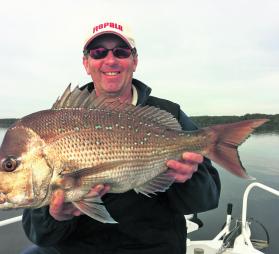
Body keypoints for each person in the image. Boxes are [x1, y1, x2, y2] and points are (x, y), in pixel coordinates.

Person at [21, 22, 221, 254]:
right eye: (98, 52)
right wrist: (54, 215)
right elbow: (39, 234)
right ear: (86, 63)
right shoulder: (58, 121)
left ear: (134, 61)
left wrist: (188, 179)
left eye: (121, 51)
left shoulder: (169, 114)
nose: (110, 60)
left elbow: (207, 199)